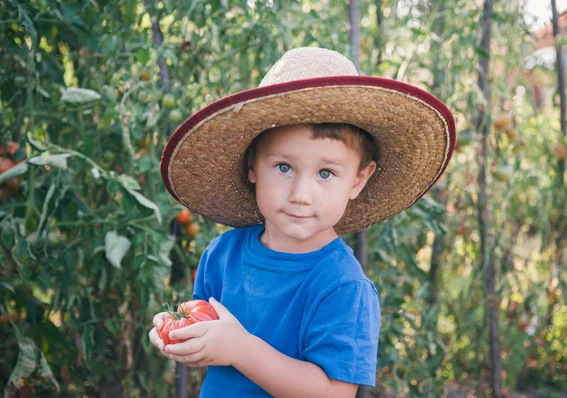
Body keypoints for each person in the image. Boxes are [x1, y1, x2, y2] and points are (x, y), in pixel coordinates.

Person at [149, 47, 455, 397]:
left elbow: (334, 392)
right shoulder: (222, 255)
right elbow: (210, 340)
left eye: (326, 172)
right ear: (252, 166)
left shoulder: (342, 285)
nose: (301, 194)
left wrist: (241, 348)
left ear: (358, 179)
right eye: (284, 167)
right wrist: (181, 335)